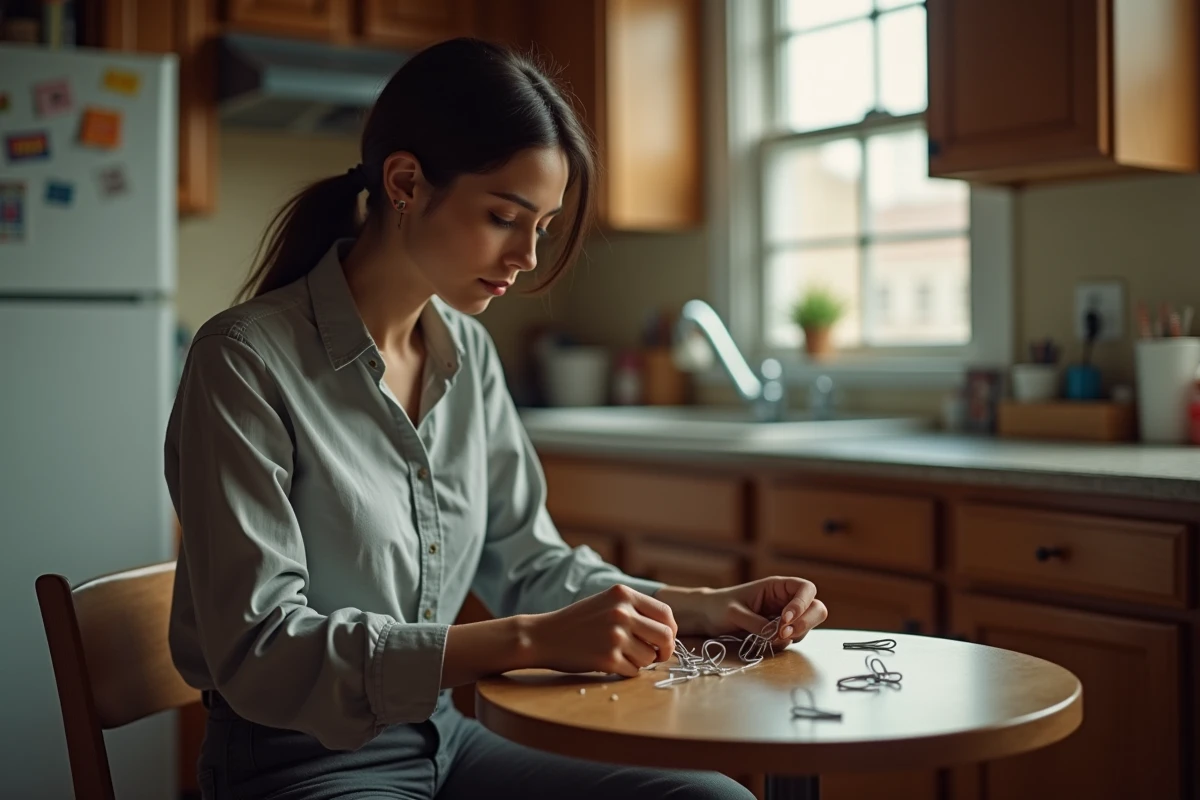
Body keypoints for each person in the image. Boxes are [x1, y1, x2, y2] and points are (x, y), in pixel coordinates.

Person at [165, 37, 827, 800]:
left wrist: (704, 608)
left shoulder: (469, 356)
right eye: (505, 217)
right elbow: (263, 650)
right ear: (406, 183)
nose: (526, 256)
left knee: (711, 798)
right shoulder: (244, 362)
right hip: (296, 763)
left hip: (446, 740)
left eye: (541, 226)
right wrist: (528, 641)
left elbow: (531, 564)